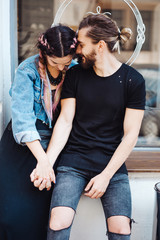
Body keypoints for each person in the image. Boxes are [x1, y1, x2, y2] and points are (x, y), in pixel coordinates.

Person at [33, 13, 145, 240]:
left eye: (82, 44)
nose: (77, 50)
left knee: (121, 228)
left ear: (100, 46)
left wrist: (105, 176)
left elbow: (130, 135)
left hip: (111, 163)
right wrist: (47, 163)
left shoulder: (133, 81)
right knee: (58, 220)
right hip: (75, 159)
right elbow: (65, 122)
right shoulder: (75, 74)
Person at [0, 25, 77, 240]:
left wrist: (47, 162)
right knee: (13, 215)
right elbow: (22, 121)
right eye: (55, 63)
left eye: (66, 63)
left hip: (55, 147)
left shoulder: (76, 70)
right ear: (43, 53)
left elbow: (68, 119)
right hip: (22, 148)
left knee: (41, 216)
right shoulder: (27, 70)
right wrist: (43, 162)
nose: (62, 69)